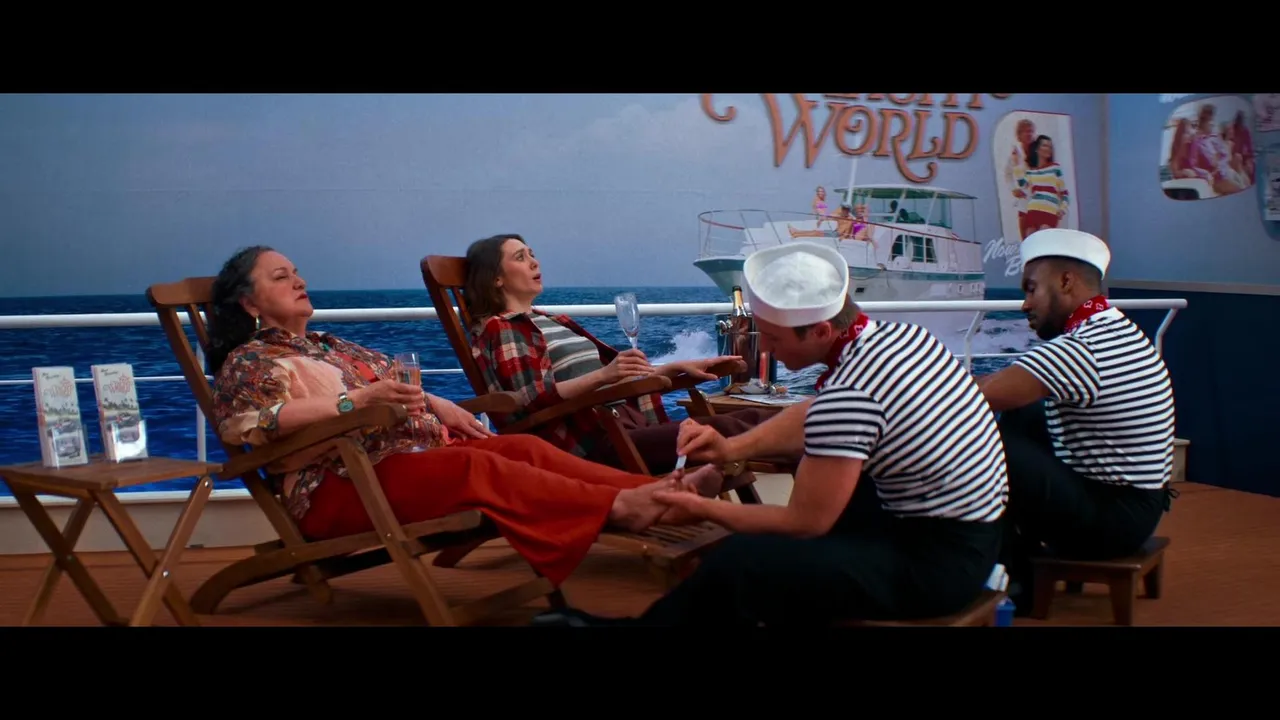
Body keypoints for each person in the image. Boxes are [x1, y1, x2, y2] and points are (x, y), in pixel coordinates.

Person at [532, 241, 1010, 626]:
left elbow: (806, 522)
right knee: (805, 498)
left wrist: (701, 508)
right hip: (975, 538)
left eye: (775, 339)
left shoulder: (851, 391)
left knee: (742, 560)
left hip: (935, 568)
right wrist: (729, 448)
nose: (768, 352)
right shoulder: (897, 339)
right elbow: (814, 414)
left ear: (820, 331)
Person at [205, 245, 726, 588]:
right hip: (340, 486)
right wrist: (353, 404)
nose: (299, 280)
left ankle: (659, 493)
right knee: (478, 467)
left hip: (405, 462)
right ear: (250, 303)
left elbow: (399, 384)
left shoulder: (331, 345)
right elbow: (248, 424)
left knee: (521, 448)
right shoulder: (250, 361)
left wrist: (439, 403)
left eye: (296, 272)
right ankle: (628, 508)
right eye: (282, 277)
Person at [973, 228, 1176, 612]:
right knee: (1022, 415)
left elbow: (971, 395)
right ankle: (1016, 563)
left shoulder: (1083, 348)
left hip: (1112, 521)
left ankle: (1013, 581)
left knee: (984, 447)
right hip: (1139, 507)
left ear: (1066, 282)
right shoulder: (1115, 328)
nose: (1025, 304)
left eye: (1031, 289)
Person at [463, 233, 781, 475]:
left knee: (747, 418)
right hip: (594, 445)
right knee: (726, 429)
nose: (535, 262)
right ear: (496, 278)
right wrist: (605, 374)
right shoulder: (501, 328)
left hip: (626, 425)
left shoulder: (551, 320)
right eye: (520, 257)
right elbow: (529, 399)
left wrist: (672, 369)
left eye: (532, 254)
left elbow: (611, 380)